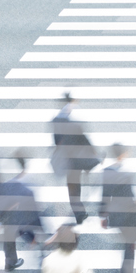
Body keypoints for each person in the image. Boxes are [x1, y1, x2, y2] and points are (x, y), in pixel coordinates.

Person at [100, 144, 136, 273]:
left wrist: (103, 215)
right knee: (129, 252)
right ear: (123, 154)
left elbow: (105, 196)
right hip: (129, 218)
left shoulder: (106, 173)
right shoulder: (126, 175)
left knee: (127, 249)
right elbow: (131, 200)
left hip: (116, 217)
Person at [51, 93, 98, 225]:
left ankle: (79, 212)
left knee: (72, 187)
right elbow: (84, 139)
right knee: (76, 185)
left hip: (66, 159)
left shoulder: (56, 121)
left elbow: (56, 141)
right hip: (77, 158)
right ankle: (80, 211)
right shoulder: (75, 122)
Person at [0, 153, 42, 272]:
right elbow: (33, 212)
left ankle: (10, 262)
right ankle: (40, 257)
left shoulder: (5, 185)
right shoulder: (26, 189)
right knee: (31, 236)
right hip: (21, 218)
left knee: (8, 238)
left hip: (7, 218)